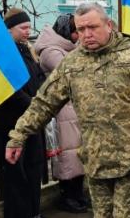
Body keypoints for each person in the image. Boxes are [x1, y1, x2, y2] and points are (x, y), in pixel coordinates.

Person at [5, 2, 130, 218]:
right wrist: (18, 136)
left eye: (92, 27)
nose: (87, 34)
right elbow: (44, 103)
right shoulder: (72, 63)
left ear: (108, 25)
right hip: (95, 161)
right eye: (81, 29)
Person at [0, 8, 46, 218]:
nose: (27, 31)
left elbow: (39, 78)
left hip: (31, 121)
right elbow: (10, 88)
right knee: (15, 173)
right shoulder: (2, 53)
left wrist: (40, 102)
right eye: (22, 27)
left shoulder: (26, 50)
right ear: (9, 29)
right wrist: (33, 105)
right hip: (10, 122)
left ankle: (34, 211)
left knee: (34, 168)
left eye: (28, 27)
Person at [33, 14, 88, 213]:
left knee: (78, 153)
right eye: (76, 32)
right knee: (67, 155)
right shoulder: (51, 51)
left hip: (75, 109)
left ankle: (78, 194)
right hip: (63, 111)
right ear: (66, 31)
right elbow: (72, 73)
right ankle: (68, 196)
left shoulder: (67, 48)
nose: (78, 36)